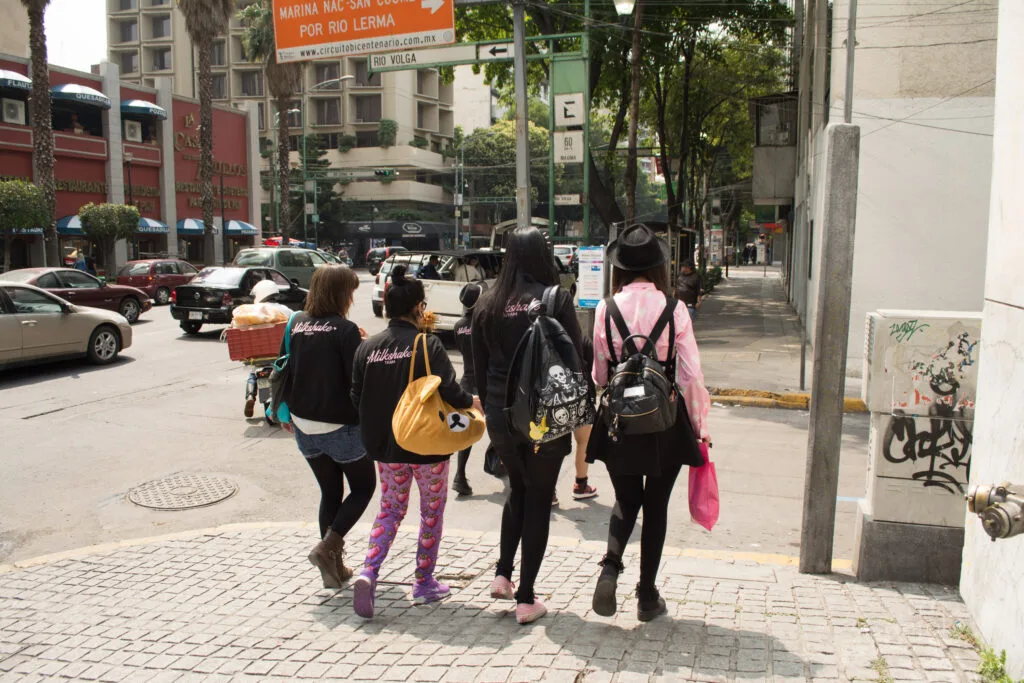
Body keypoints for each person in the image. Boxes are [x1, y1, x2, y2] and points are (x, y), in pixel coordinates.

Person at [588, 224, 711, 622]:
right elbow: (690, 376)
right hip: (665, 422)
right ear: (658, 266)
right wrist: (699, 425)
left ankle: (610, 568)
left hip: (620, 421)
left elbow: (600, 374)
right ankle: (646, 596)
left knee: (626, 499)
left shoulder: (606, 308)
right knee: (656, 506)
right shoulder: (675, 309)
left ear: (620, 268)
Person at [350, 265, 480, 618]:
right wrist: (471, 403)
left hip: (386, 448)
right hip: (427, 448)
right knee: (430, 513)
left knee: (390, 509)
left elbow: (356, 397)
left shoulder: (368, 347)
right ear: (419, 307)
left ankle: (369, 571)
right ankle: (423, 582)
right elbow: (449, 389)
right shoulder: (427, 344)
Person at [471, 226, 586, 624]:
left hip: (499, 415)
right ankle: (525, 597)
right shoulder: (554, 298)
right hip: (542, 417)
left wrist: (492, 408)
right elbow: (575, 359)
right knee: (538, 498)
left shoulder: (487, 302)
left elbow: (478, 368)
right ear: (542, 256)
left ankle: (503, 573)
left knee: (517, 489)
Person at [278, 265, 375, 590]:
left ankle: (333, 567)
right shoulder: (345, 330)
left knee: (331, 492)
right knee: (363, 487)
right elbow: (357, 382)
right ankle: (328, 547)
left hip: (303, 425)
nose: (351, 298)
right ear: (340, 293)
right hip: (339, 427)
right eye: (350, 292)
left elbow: (284, 368)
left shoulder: (297, 323)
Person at [452, 282, 483, 496]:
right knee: (500, 426)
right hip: (484, 382)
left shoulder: (458, 325)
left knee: (467, 431)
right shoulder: (485, 324)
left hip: (466, 380)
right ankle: (495, 461)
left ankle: (460, 475)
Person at [570, 335, 598, 501]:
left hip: (550, 400)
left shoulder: (542, 336)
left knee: (551, 445)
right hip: (581, 396)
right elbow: (595, 370)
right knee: (583, 441)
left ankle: (549, 492)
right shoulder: (581, 340)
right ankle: (580, 485)